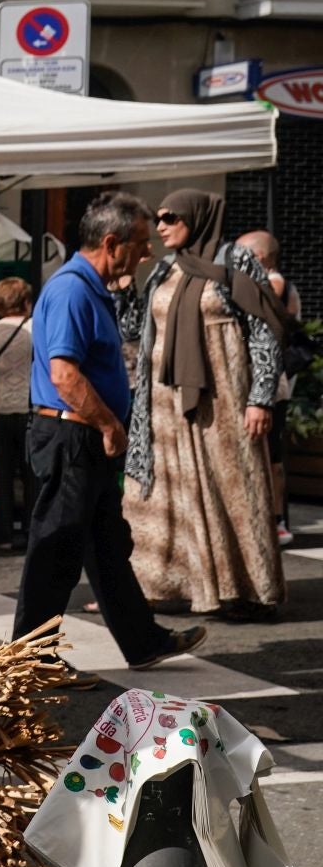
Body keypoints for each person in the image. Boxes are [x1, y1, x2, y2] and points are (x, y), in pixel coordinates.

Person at [11, 193, 207, 676]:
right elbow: (64, 374)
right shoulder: (74, 289)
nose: (146, 253)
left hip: (80, 437)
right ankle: (28, 660)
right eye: (140, 243)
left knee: (105, 544)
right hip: (70, 436)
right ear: (111, 242)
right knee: (56, 547)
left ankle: (142, 641)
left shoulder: (91, 287)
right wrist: (108, 423)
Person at [123, 190, 285, 618]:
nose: (160, 226)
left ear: (197, 217)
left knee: (234, 488)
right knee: (173, 494)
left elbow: (264, 329)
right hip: (164, 403)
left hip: (226, 398)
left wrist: (261, 398)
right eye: (158, 218)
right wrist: (122, 285)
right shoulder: (162, 269)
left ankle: (249, 590)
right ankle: (178, 586)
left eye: (170, 217)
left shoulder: (235, 260)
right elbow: (134, 330)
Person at [235, 229, 300, 546]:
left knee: (270, 457)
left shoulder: (272, 285)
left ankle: (275, 521)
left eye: (239, 253)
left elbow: (260, 327)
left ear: (257, 257)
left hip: (268, 387)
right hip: (264, 384)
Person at [0, 277, 37, 550]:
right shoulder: (37, 328)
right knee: (32, 475)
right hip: (29, 407)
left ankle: (1, 535)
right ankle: (31, 530)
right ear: (26, 302)